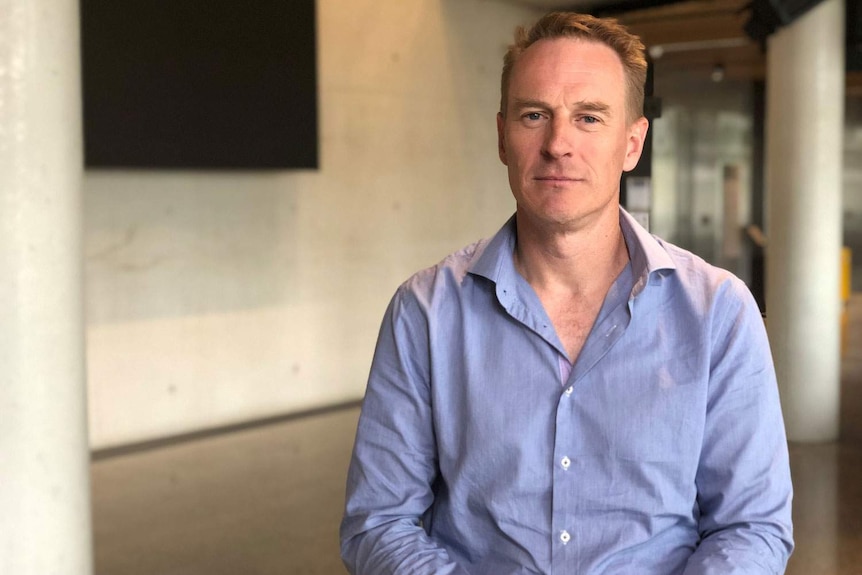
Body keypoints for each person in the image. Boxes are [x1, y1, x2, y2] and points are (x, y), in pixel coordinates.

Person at [340, 11, 793, 575]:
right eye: (535, 115)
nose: (558, 144)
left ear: (632, 144)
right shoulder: (425, 313)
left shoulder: (719, 313)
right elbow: (379, 522)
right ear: (503, 136)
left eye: (589, 118)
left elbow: (751, 528)